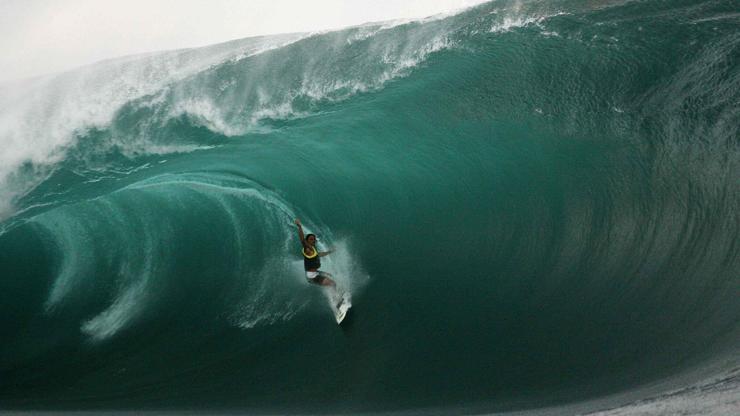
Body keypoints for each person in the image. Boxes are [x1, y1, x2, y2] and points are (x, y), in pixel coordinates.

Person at [294, 218, 337, 288]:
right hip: (312, 276)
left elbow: (319, 254)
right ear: (307, 241)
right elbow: (302, 240)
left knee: (331, 276)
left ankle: (336, 293)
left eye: (314, 239)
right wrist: (299, 226)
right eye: (311, 239)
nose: (313, 240)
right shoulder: (308, 249)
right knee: (333, 283)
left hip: (316, 272)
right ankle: (337, 298)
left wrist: (330, 251)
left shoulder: (313, 249)